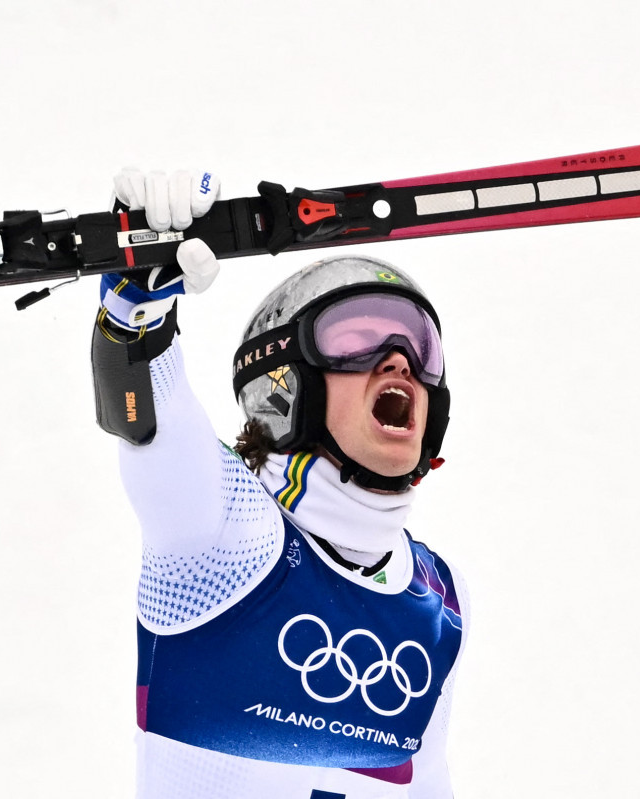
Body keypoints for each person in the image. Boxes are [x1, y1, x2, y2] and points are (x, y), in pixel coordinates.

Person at [91, 169, 468, 799]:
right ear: (284, 389)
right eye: (357, 339)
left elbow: (427, 783)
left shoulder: (436, 598)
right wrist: (136, 310)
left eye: (418, 350)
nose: (399, 359)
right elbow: (152, 425)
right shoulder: (227, 536)